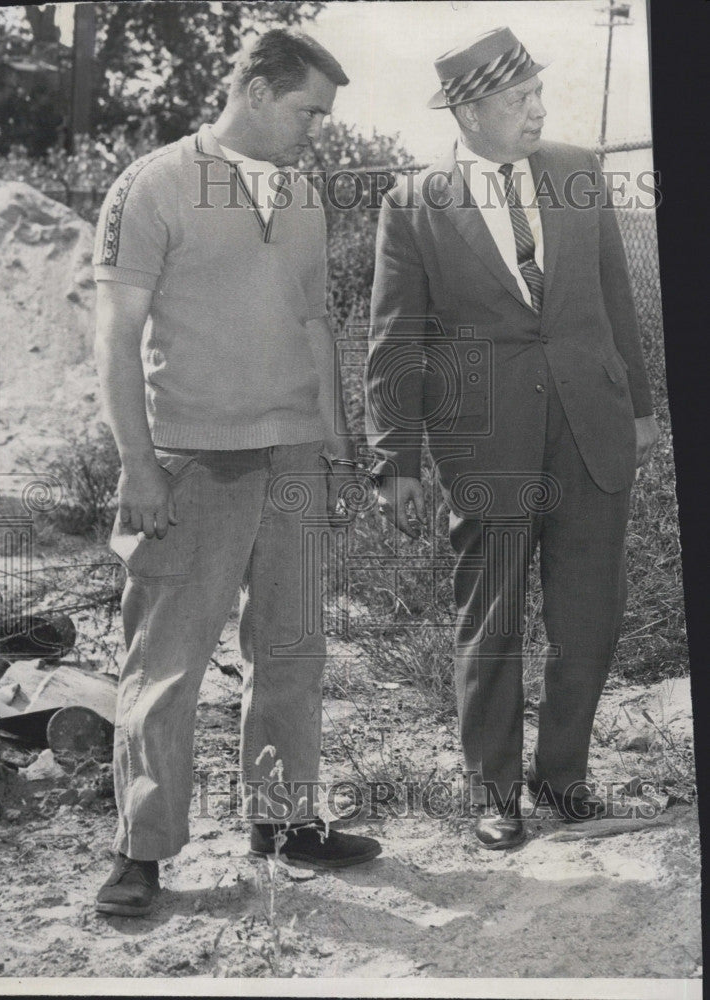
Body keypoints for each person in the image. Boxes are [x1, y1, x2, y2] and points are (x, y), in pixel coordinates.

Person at [93, 28, 381, 917]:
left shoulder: (304, 194)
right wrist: (139, 463)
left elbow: (313, 327)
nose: (317, 131)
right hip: (191, 459)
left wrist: (335, 442)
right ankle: (142, 853)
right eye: (308, 111)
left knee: (291, 650)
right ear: (255, 90)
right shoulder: (152, 183)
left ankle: (286, 821)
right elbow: (113, 335)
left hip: (293, 456)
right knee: (168, 666)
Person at [366, 27, 658, 850]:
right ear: (466, 110)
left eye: (536, 91)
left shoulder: (577, 171)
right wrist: (395, 458)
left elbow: (613, 298)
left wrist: (637, 407)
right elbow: (396, 341)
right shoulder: (413, 203)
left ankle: (562, 777)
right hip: (483, 442)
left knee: (589, 616)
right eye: (516, 97)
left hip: (589, 426)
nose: (536, 108)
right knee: (489, 620)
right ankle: (493, 795)